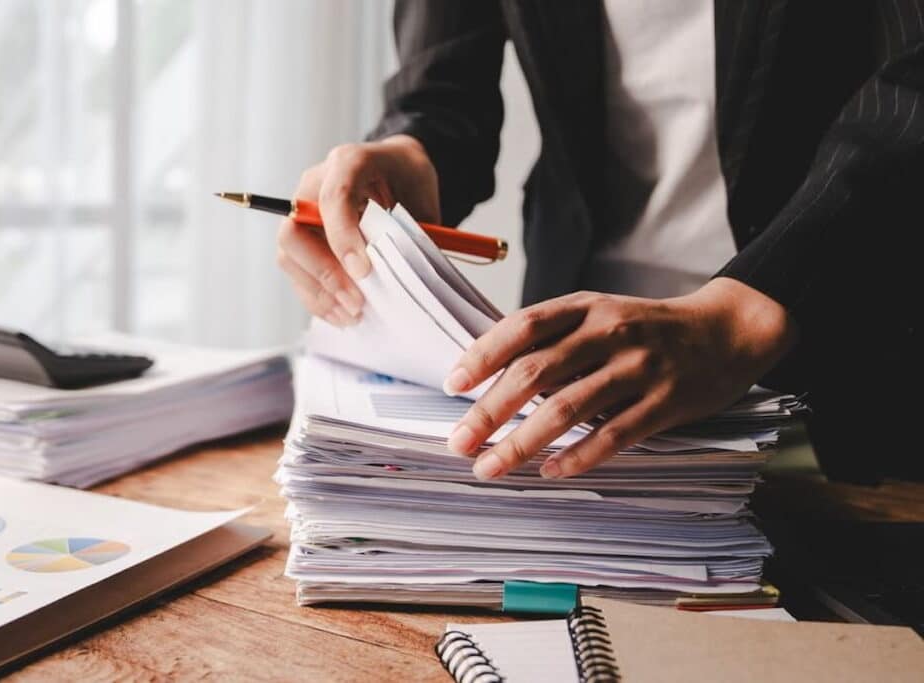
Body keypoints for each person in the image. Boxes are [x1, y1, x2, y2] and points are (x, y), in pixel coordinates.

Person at [276, 1, 923, 483]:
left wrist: (752, 303)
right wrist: (411, 150)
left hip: (854, 358)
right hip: (578, 378)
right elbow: (443, 89)